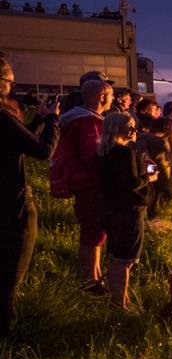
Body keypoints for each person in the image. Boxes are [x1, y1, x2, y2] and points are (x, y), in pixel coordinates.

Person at [0, 57, 60, 339]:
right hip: (13, 203)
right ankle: (5, 337)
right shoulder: (3, 117)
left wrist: (38, 120)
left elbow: (21, 141)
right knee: (11, 275)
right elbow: (43, 151)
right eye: (10, 82)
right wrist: (52, 120)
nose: (12, 89)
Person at [51, 78, 113, 294]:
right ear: (101, 96)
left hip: (84, 183)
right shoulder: (89, 123)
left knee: (96, 232)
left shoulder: (78, 119)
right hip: (89, 184)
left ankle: (95, 275)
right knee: (93, 232)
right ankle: (89, 280)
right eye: (110, 95)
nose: (112, 100)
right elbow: (94, 157)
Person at [96, 111, 156, 311]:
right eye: (129, 126)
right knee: (125, 260)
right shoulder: (124, 153)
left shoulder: (104, 152)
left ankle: (121, 300)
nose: (133, 130)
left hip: (110, 210)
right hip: (128, 212)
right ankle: (119, 305)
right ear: (116, 128)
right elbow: (131, 184)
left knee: (115, 258)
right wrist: (150, 177)